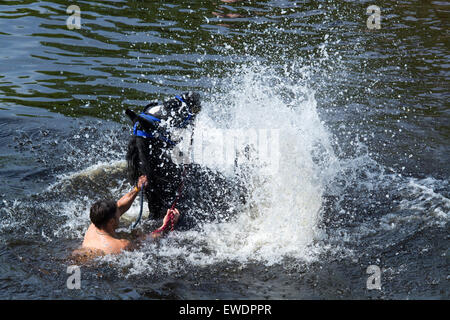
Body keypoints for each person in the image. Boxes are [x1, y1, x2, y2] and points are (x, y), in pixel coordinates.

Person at [73, 175, 180, 258]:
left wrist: (137, 189)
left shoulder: (94, 226)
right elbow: (147, 242)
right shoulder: (121, 246)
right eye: (117, 214)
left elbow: (120, 206)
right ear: (111, 221)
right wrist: (166, 225)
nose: (120, 214)